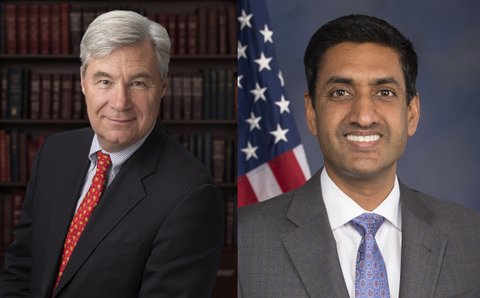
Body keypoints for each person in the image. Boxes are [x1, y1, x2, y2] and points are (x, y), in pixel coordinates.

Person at [238, 14, 480, 298]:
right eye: (340, 92)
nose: (363, 117)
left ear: (411, 114)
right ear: (312, 112)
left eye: (384, 92)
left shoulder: (471, 236)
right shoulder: (246, 239)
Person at [0, 10, 224, 297]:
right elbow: (21, 267)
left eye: (138, 83)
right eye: (104, 81)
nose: (120, 102)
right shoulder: (54, 153)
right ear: (83, 82)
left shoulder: (191, 195)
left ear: (163, 88)